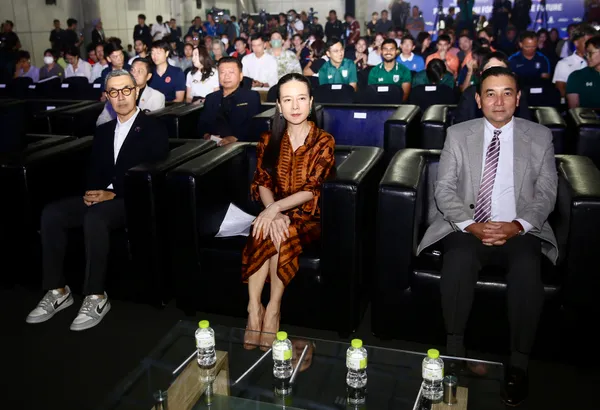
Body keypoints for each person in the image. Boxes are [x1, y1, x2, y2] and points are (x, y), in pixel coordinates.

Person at [417, 66, 557, 407]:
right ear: (479, 100)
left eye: (507, 93)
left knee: (527, 269)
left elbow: (546, 193)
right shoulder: (458, 134)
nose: (499, 101)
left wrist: (517, 225)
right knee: (459, 260)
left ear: (518, 98)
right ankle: (454, 353)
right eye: (490, 94)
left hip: (519, 229)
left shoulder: (539, 136)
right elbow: (444, 189)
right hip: (467, 225)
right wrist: (471, 224)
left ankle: (518, 365)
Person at [25, 69, 169, 331]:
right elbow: (94, 170)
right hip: (101, 197)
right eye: (114, 92)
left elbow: (153, 173)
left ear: (136, 91)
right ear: (107, 97)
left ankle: (96, 296)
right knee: (52, 213)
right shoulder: (103, 130)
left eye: (126, 90)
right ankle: (58, 290)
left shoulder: (154, 128)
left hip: (132, 200)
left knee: (96, 217)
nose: (121, 97)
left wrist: (114, 193)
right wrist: (92, 192)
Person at [242, 73, 335, 349]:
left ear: (311, 102)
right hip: (276, 208)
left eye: (301, 98)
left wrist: (275, 209)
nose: (295, 106)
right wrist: (272, 211)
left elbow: (313, 188)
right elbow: (262, 181)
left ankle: (273, 308)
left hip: (308, 216)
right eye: (288, 100)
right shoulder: (269, 139)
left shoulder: (323, 141)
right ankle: (253, 308)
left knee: (282, 230)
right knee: (263, 226)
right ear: (279, 105)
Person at [197, 57, 261, 145]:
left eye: (231, 72)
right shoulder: (211, 98)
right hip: (212, 145)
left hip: (239, 145)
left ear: (241, 76)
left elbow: (253, 125)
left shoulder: (251, 96)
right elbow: (202, 124)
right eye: (222, 72)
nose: (226, 76)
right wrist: (206, 135)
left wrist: (234, 138)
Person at [455, 51, 532, 124]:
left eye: (500, 70)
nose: (495, 75)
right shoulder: (470, 93)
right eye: (490, 70)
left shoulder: (516, 93)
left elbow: (525, 125)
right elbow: (460, 125)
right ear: (481, 73)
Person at [553, 25, 597, 99]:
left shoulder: (597, 62)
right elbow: (560, 90)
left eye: (593, 42)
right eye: (587, 42)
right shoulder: (564, 64)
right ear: (576, 43)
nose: (591, 46)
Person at [566, 35, 600, 108]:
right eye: (586, 53)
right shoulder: (577, 76)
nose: (587, 56)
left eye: (591, 53)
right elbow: (574, 110)